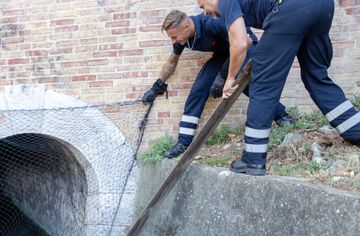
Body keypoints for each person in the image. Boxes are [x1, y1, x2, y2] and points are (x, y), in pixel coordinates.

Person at [197, 0, 360, 175]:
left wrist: (229, 78)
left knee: (262, 84)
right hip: (322, 5)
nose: (205, 13)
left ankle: (253, 160)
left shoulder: (225, 2)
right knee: (316, 76)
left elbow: (240, 43)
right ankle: (356, 131)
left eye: (202, 6)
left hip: (290, 8)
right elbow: (247, 40)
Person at [142, 10, 294, 159]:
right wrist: (157, 85)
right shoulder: (183, 39)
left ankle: (282, 116)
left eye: (174, 37)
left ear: (187, 26)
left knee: (245, 86)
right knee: (198, 90)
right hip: (224, 54)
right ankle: (183, 142)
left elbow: (244, 42)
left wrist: (223, 76)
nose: (173, 41)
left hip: (245, 47)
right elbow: (172, 61)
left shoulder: (213, 22)